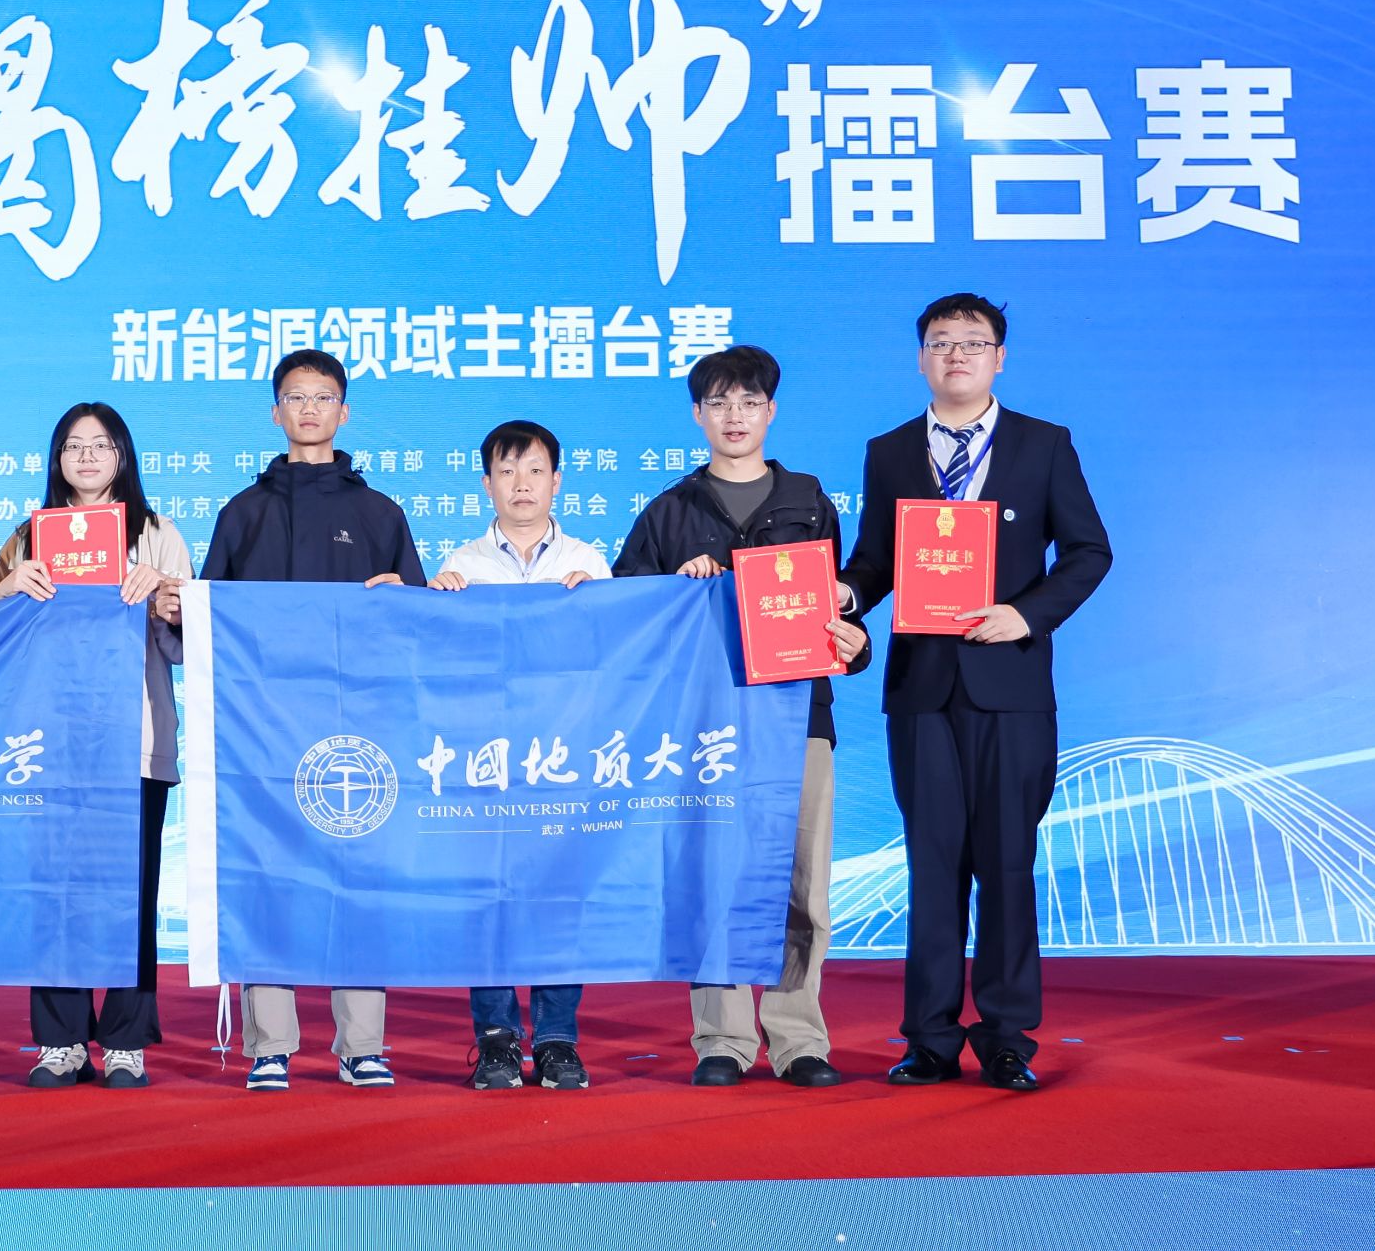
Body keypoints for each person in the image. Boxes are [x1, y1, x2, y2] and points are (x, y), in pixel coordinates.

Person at [838, 293, 1110, 1093]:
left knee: (1006, 863)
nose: (956, 354)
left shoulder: (1043, 443)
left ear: (999, 357)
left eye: (973, 342)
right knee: (932, 867)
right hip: (922, 689)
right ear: (921, 357)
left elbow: (1089, 551)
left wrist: (1025, 614)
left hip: (1011, 687)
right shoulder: (890, 451)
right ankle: (928, 1037)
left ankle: (1005, 1037)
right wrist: (846, 595)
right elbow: (875, 559)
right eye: (941, 342)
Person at [165, 347, 424, 1090]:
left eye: (323, 396)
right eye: (296, 396)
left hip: (358, 727)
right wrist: (180, 610)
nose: (309, 408)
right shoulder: (243, 512)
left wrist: (401, 601)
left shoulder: (380, 513)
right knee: (267, 875)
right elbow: (208, 622)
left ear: (345, 411)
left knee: (360, 877)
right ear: (276, 411)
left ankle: (362, 1044)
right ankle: (270, 1044)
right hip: (263, 729)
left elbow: (416, 627)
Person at [614, 345, 870, 1089]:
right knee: (714, 879)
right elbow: (629, 619)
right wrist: (676, 586)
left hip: (798, 719)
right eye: (720, 403)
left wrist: (854, 643)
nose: (735, 416)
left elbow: (833, 609)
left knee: (803, 886)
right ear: (698, 415)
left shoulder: (808, 500)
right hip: (706, 728)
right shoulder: (670, 511)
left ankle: (798, 1039)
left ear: (771, 411)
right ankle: (722, 1039)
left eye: (749, 402)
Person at [0, 402, 192, 1090]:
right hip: (49, 742)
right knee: (54, 893)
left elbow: (187, 647)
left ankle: (126, 1041)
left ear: (122, 455)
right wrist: (7, 590)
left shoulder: (157, 534)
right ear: (57, 459)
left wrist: (166, 602)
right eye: (74, 445)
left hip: (135, 740)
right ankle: (60, 1039)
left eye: (101, 445)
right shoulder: (28, 537)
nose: (88, 457)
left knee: (134, 893)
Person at [429, 420, 609, 1091]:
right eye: (507, 471)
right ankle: (497, 1039)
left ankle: (557, 1039)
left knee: (560, 894)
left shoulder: (589, 562)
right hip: (488, 759)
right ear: (487, 484)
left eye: (535, 470)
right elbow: (440, 665)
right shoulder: (463, 564)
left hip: (564, 756)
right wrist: (438, 605)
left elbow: (614, 655)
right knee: (491, 898)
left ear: (557, 480)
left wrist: (598, 605)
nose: (522, 484)